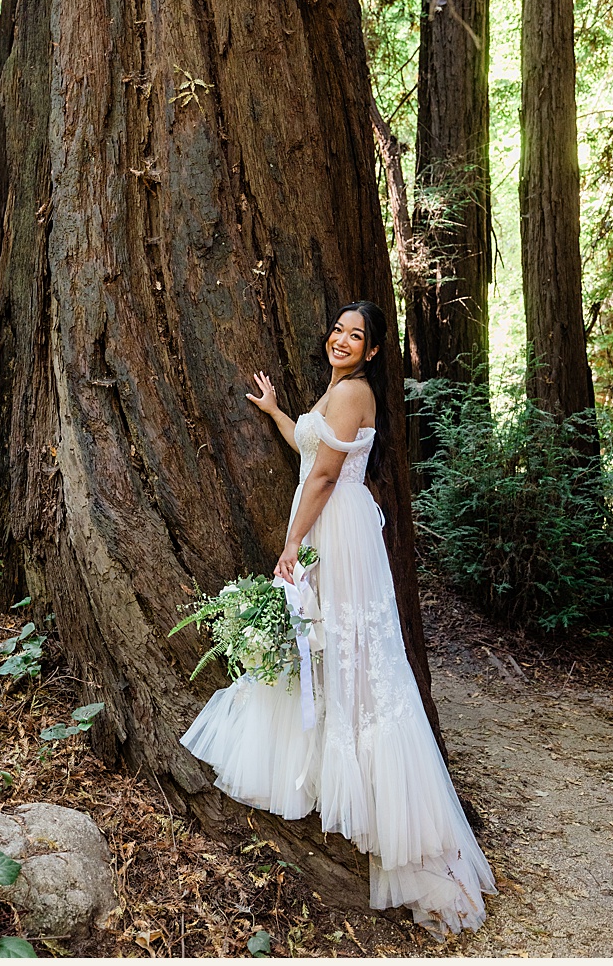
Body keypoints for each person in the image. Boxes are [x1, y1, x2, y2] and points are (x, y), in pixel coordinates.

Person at [179, 301, 496, 935]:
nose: (343, 340)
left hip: (338, 529)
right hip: (329, 522)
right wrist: (276, 413)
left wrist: (292, 544)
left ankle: (388, 809)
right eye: (339, 330)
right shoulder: (334, 392)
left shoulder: (354, 393)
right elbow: (310, 446)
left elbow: (323, 474)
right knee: (325, 646)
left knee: (353, 653)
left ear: (373, 351)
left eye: (357, 336)